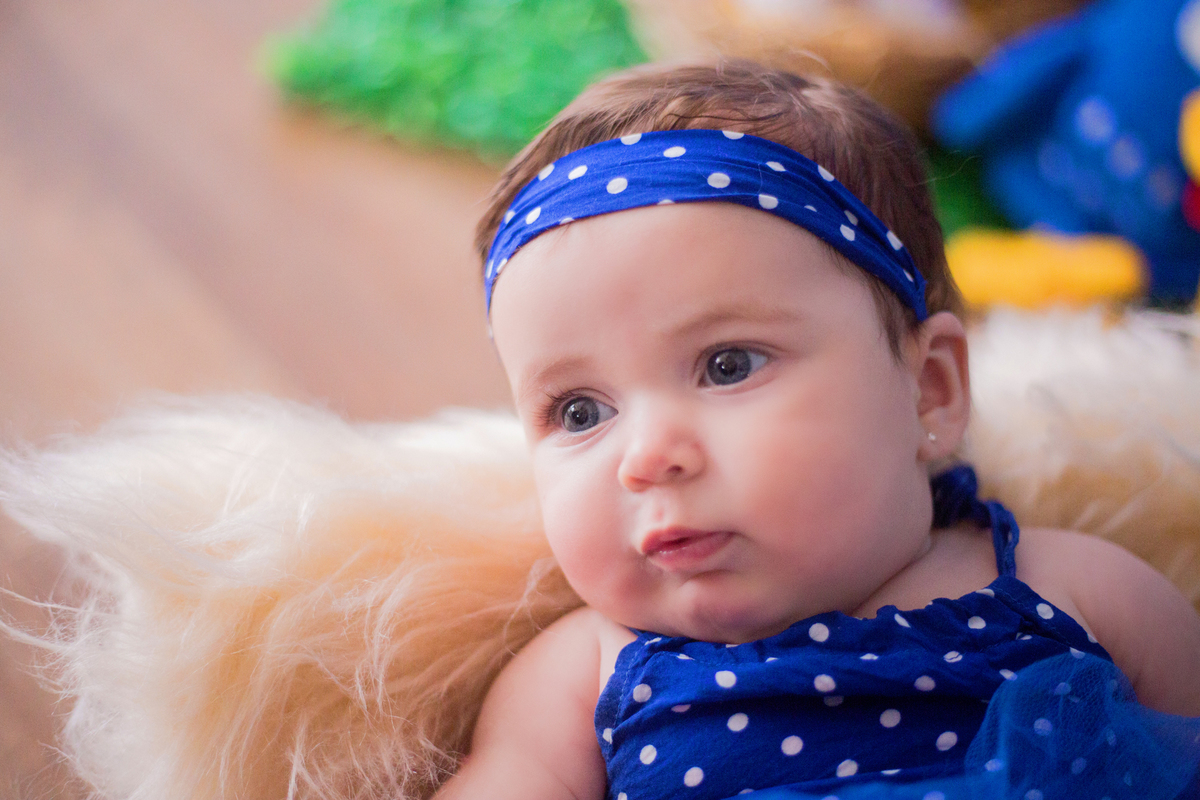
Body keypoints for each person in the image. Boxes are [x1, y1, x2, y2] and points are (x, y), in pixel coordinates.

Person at [437, 61, 1200, 800]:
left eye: (728, 365)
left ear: (928, 390)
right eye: (580, 412)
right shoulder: (588, 671)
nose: (647, 458)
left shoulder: (1072, 591)